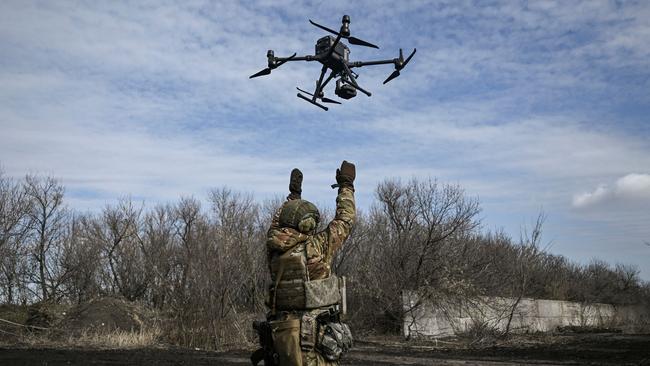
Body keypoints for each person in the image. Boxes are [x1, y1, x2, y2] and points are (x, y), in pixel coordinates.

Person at [252, 161, 356, 366]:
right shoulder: (315, 246)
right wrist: (346, 186)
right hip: (313, 337)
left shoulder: (273, 248)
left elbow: (277, 223)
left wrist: (293, 197)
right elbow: (345, 220)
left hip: (282, 335)